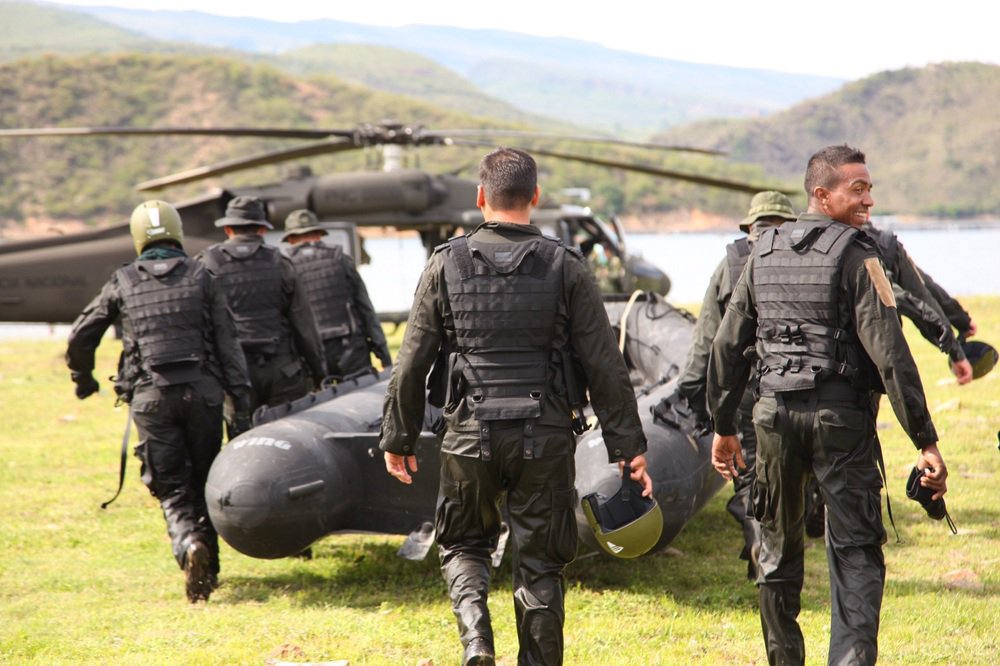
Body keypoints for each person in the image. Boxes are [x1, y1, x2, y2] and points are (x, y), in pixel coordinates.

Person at [379, 147, 651, 666]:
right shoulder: (566, 266)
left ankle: (477, 642)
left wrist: (399, 436)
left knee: (462, 544)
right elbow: (604, 366)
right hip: (544, 436)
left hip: (467, 435)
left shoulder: (443, 263)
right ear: (536, 198)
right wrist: (628, 448)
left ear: (481, 197)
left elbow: (412, 360)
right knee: (541, 562)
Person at [706, 145, 948, 666]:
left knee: (775, 550)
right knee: (856, 549)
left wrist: (724, 425)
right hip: (839, 421)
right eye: (857, 189)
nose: (869, 199)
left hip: (772, 418)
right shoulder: (860, 256)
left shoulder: (761, 253)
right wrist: (925, 441)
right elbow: (891, 355)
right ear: (822, 194)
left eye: (868, 187)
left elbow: (727, 346)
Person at [66, 200, 251, 603]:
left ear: (137, 238)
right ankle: (209, 569)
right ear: (177, 232)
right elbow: (228, 344)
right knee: (203, 478)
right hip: (202, 394)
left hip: (152, 398)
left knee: (170, 486)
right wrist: (241, 406)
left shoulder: (122, 280)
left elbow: (82, 335)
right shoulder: (204, 275)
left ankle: (188, 545)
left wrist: (84, 380)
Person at [676, 190, 797, 580]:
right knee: (793, 473)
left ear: (750, 227)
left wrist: (692, 394)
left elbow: (709, 341)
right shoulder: (810, 260)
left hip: (743, 391)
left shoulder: (729, 266)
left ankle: (762, 554)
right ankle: (775, 552)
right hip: (799, 386)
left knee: (747, 479)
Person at [196, 196, 327, 421]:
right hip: (284, 371)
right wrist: (319, 374)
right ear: (262, 230)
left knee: (244, 442)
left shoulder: (206, 264)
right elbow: (304, 325)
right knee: (289, 439)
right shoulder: (282, 262)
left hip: (234, 374)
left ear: (228, 229)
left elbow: (201, 325)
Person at [281, 209, 392, 377]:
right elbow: (366, 309)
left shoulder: (284, 267)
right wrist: (384, 356)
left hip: (308, 356)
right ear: (318, 234)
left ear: (290, 239)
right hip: (352, 351)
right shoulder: (341, 259)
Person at [863, 218, 975, 384]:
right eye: (858, 191)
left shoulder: (884, 243)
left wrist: (961, 320)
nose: (868, 201)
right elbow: (917, 292)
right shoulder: (880, 243)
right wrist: (955, 348)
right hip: (868, 357)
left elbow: (922, 285)